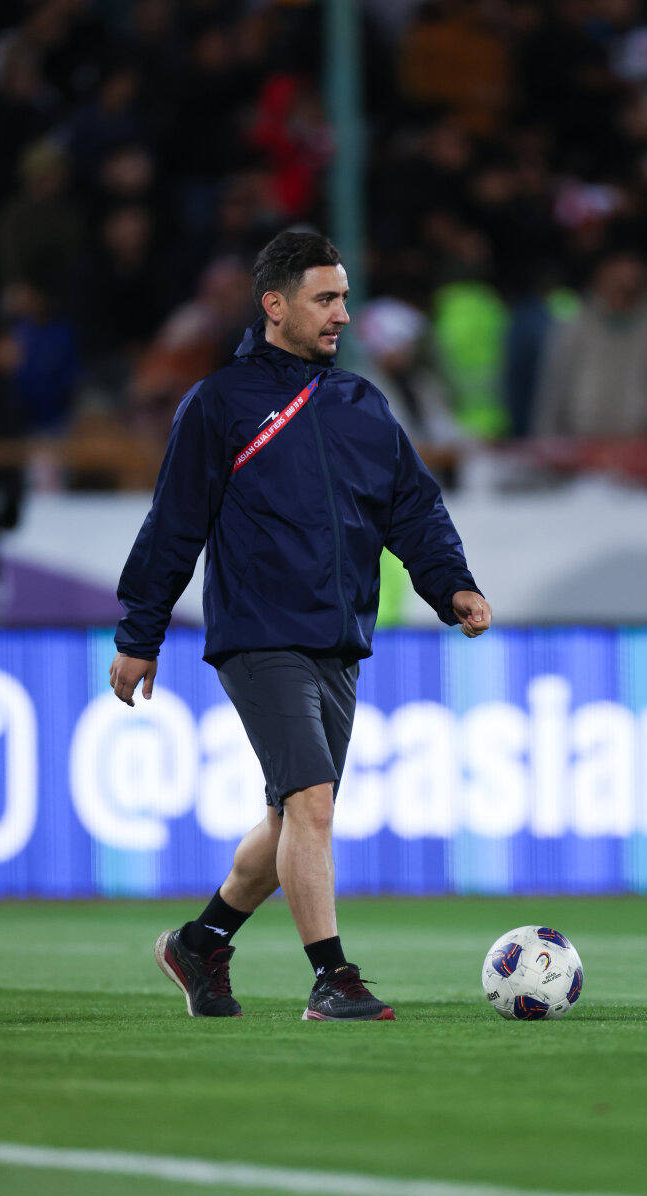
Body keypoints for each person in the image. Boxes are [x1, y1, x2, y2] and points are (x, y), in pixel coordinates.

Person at [109, 231, 491, 1022]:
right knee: (312, 803)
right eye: (325, 298)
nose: (342, 314)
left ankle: (201, 942)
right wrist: (140, 634)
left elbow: (413, 509)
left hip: (338, 639)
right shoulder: (219, 403)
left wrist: (451, 584)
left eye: (344, 297)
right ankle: (332, 978)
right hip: (259, 634)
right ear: (275, 305)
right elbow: (173, 525)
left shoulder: (361, 404)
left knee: (292, 816)